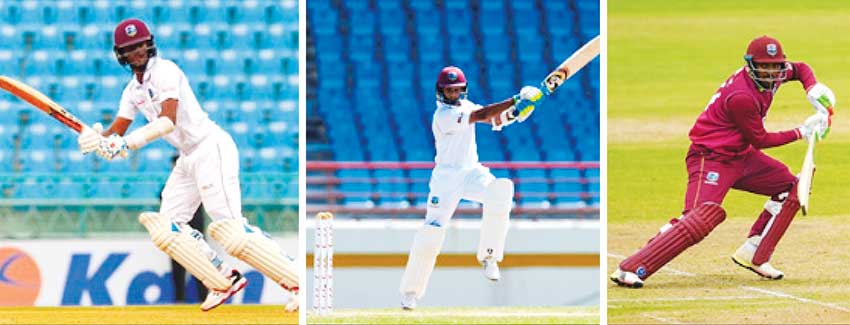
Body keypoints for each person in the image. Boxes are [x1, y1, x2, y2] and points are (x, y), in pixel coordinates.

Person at [76, 18, 299, 311]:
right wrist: (95, 139)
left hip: (211, 147)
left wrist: (126, 143)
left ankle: (295, 281)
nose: (138, 52)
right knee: (167, 229)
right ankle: (222, 279)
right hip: (187, 157)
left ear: (149, 43)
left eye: (141, 45)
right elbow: (116, 130)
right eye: (130, 48)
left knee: (231, 232)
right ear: (121, 54)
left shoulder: (166, 71)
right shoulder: (132, 91)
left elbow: (167, 121)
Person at [610, 35, 835, 288]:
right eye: (764, 66)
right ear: (751, 65)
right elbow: (760, 139)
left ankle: (755, 252)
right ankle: (631, 268)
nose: (771, 73)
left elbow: (801, 68)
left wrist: (812, 88)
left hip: (742, 155)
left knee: (790, 186)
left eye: (776, 66)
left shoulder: (777, 74)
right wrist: (801, 132)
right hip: (711, 157)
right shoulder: (742, 96)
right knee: (698, 218)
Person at [398, 66, 542, 310]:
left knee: (501, 190)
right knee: (431, 233)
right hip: (446, 178)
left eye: (457, 90)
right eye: (449, 90)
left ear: (464, 90)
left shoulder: (467, 106)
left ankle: (489, 256)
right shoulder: (442, 115)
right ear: (440, 91)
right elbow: (481, 115)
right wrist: (515, 99)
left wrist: (519, 111)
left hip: (471, 171)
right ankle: (410, 293)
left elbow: (495, 119)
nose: (453, 94)